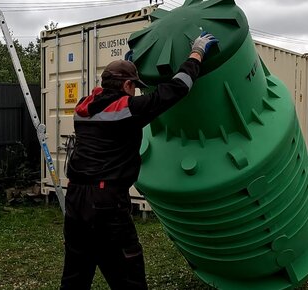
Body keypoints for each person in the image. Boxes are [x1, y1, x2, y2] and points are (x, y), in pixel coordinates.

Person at [60, 32, 219, 290]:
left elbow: (112, 98)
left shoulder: (83, 108)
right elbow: (178, 88)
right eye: (133, 85)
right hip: (106, 202)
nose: (136, 91)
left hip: (76, 198)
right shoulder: (128, 111)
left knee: (76, 273)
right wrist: (196, 54)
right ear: (125, 87)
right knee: (127, 272)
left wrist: (130, 69)